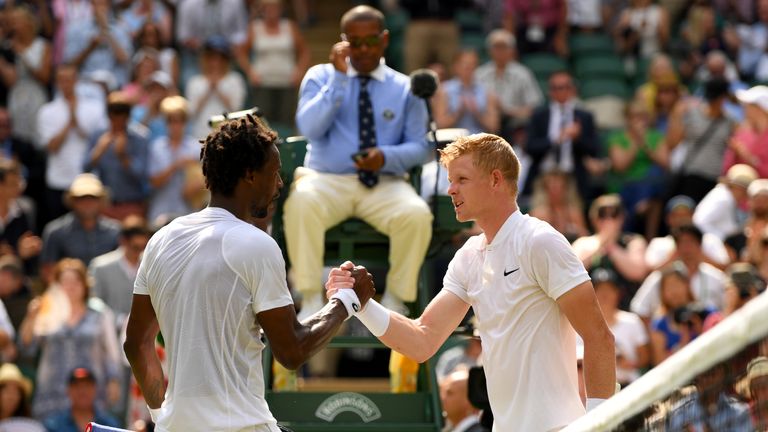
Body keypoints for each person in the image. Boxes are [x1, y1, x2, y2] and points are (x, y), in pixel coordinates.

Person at [327, 133, 616, 431]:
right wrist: (361, 304)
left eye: (461, 179)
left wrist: (599, 425)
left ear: (495, 180)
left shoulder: (539, 241)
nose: (450, 190)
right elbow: (422, 340)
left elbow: (600, 338)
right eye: (451, 180)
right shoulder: (468, 255)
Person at [123, 115, 375, 431]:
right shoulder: (258, 245)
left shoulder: (160, 240)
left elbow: (136, 343)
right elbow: (292, 351)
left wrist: (162, 416)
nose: (280, 183)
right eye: (274, 173)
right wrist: (347, 302)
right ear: (249, 176)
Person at [285, 5, 432, 319]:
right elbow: (309, 128)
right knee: (301, 203)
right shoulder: (320, 76)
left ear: (385, 39)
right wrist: (338, 80)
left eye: (371, 41)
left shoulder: (405, 87)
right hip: (326, 180)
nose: (363, 50)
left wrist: (386, 157)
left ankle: (396, 300)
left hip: (384, 183)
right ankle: (310, 299)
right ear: (342, 42)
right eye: (355, 42)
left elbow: (421, 147)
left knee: (417, 214)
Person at [19, 258, 122, 420]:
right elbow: (27, 348)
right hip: (53, 391)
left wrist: (114, 380)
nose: (70, 286)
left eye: (76, 281)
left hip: (91, 390)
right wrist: (31, 318)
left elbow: (111, 352)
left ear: (85, 284)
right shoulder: (46, 312)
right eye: (64, 281)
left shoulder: (100, 313)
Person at [524, 70, 601, 202]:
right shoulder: (539, 115)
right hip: (544, 174)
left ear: (572, 90)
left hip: (572, 176)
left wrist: (578, 138)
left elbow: (594, 149)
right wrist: (555, 139)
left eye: (564, 87)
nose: (560, 91)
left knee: (574, 216)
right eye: (556, 88)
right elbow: (530, 147)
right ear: (550, 91)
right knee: (540, 213)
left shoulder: (584, 117)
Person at [236, 0, 310, 128]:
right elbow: (241, 53)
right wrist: (251, 71)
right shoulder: (255, 27)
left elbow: (305, 51)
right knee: (263, 120)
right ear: (262, 10)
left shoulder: (289, 26)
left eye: (275, 8)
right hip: (263, 83)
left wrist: (299, 71)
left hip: (287, 82)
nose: (271, 12)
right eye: (268, 8)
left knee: (286, 120)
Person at [39, 173, 120, 284]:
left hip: (108, 294)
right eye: (81, 198)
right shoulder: (55, 232)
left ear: (101, 201)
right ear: (72, 201)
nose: (87, 203)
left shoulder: (115, 231)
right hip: (68, 294)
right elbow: (48, 272)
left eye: (93, 198)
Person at [474, 29, 543, 146]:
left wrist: (509, 111)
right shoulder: (479, 74)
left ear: (512, 50)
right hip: (484, 122)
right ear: (490, 51)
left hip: (514, 123)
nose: (499, 51)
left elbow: (534, 106)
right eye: (496, 47)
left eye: (504, 47)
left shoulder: (523, 74)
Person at [433, 49, 499, 135]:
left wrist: (477, 112)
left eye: (473, 64)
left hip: (479, 141)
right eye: (465, 65)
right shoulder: (444, 90)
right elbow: (439, 125)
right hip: (453, 141)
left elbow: (494, 127)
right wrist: (458, 113)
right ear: (455, 66)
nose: (469, 68)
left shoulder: (486, 91)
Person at [42, 367, 121, 432]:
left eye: (87, 386)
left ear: (95, 389)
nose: (82, 391)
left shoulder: (109, 425)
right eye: (77, 386)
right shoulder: (53, 425)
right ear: (68, 390)